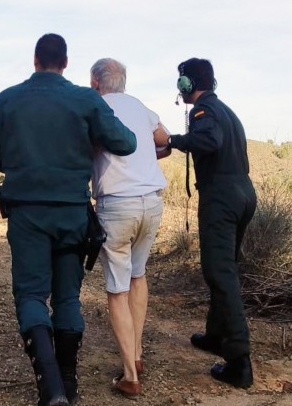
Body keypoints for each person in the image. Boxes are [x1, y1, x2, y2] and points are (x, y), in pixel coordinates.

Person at [0, 34, 136, 406]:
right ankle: (68, 383)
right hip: (72, 214)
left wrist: (25, 163)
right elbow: (127, 142)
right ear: (65, 63)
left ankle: (50, 390)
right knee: (68, 297)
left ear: (35, 60)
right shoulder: (85, 99)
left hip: (26, 213)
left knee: (32, 293)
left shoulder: (7, 99)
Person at [163, 57, 257, 389]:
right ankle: (216, 335)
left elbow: (209, 141)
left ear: (187, 84)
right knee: (224, 267)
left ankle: (239, 361)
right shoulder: (226, 110)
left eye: (181, 81)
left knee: (220, 273)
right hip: (243, 193)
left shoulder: (203, 112)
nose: (179, 88)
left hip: (221, 197)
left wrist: (172, 140)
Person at [89, 58, 170, 398]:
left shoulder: (95, 107)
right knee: (139, 275)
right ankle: (136, 354)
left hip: (117, 204)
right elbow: (164, 139)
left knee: (117, 289)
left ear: (96, 82)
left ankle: (129, 376)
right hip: (151, 200)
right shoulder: (139, 106)